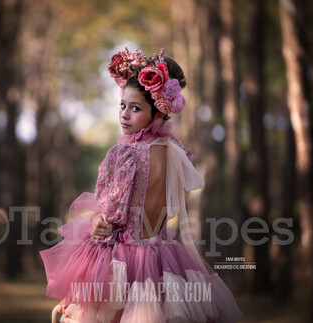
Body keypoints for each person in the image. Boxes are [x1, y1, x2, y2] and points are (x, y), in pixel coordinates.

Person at [40, 48, 244, 323]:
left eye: (135, 108)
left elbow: (112, 219)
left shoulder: (126, 154)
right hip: (164, 255)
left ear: (157, 112)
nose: (125, 114)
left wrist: (96, 222)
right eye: (122, 105)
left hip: (125, 260)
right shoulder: (173, 151)